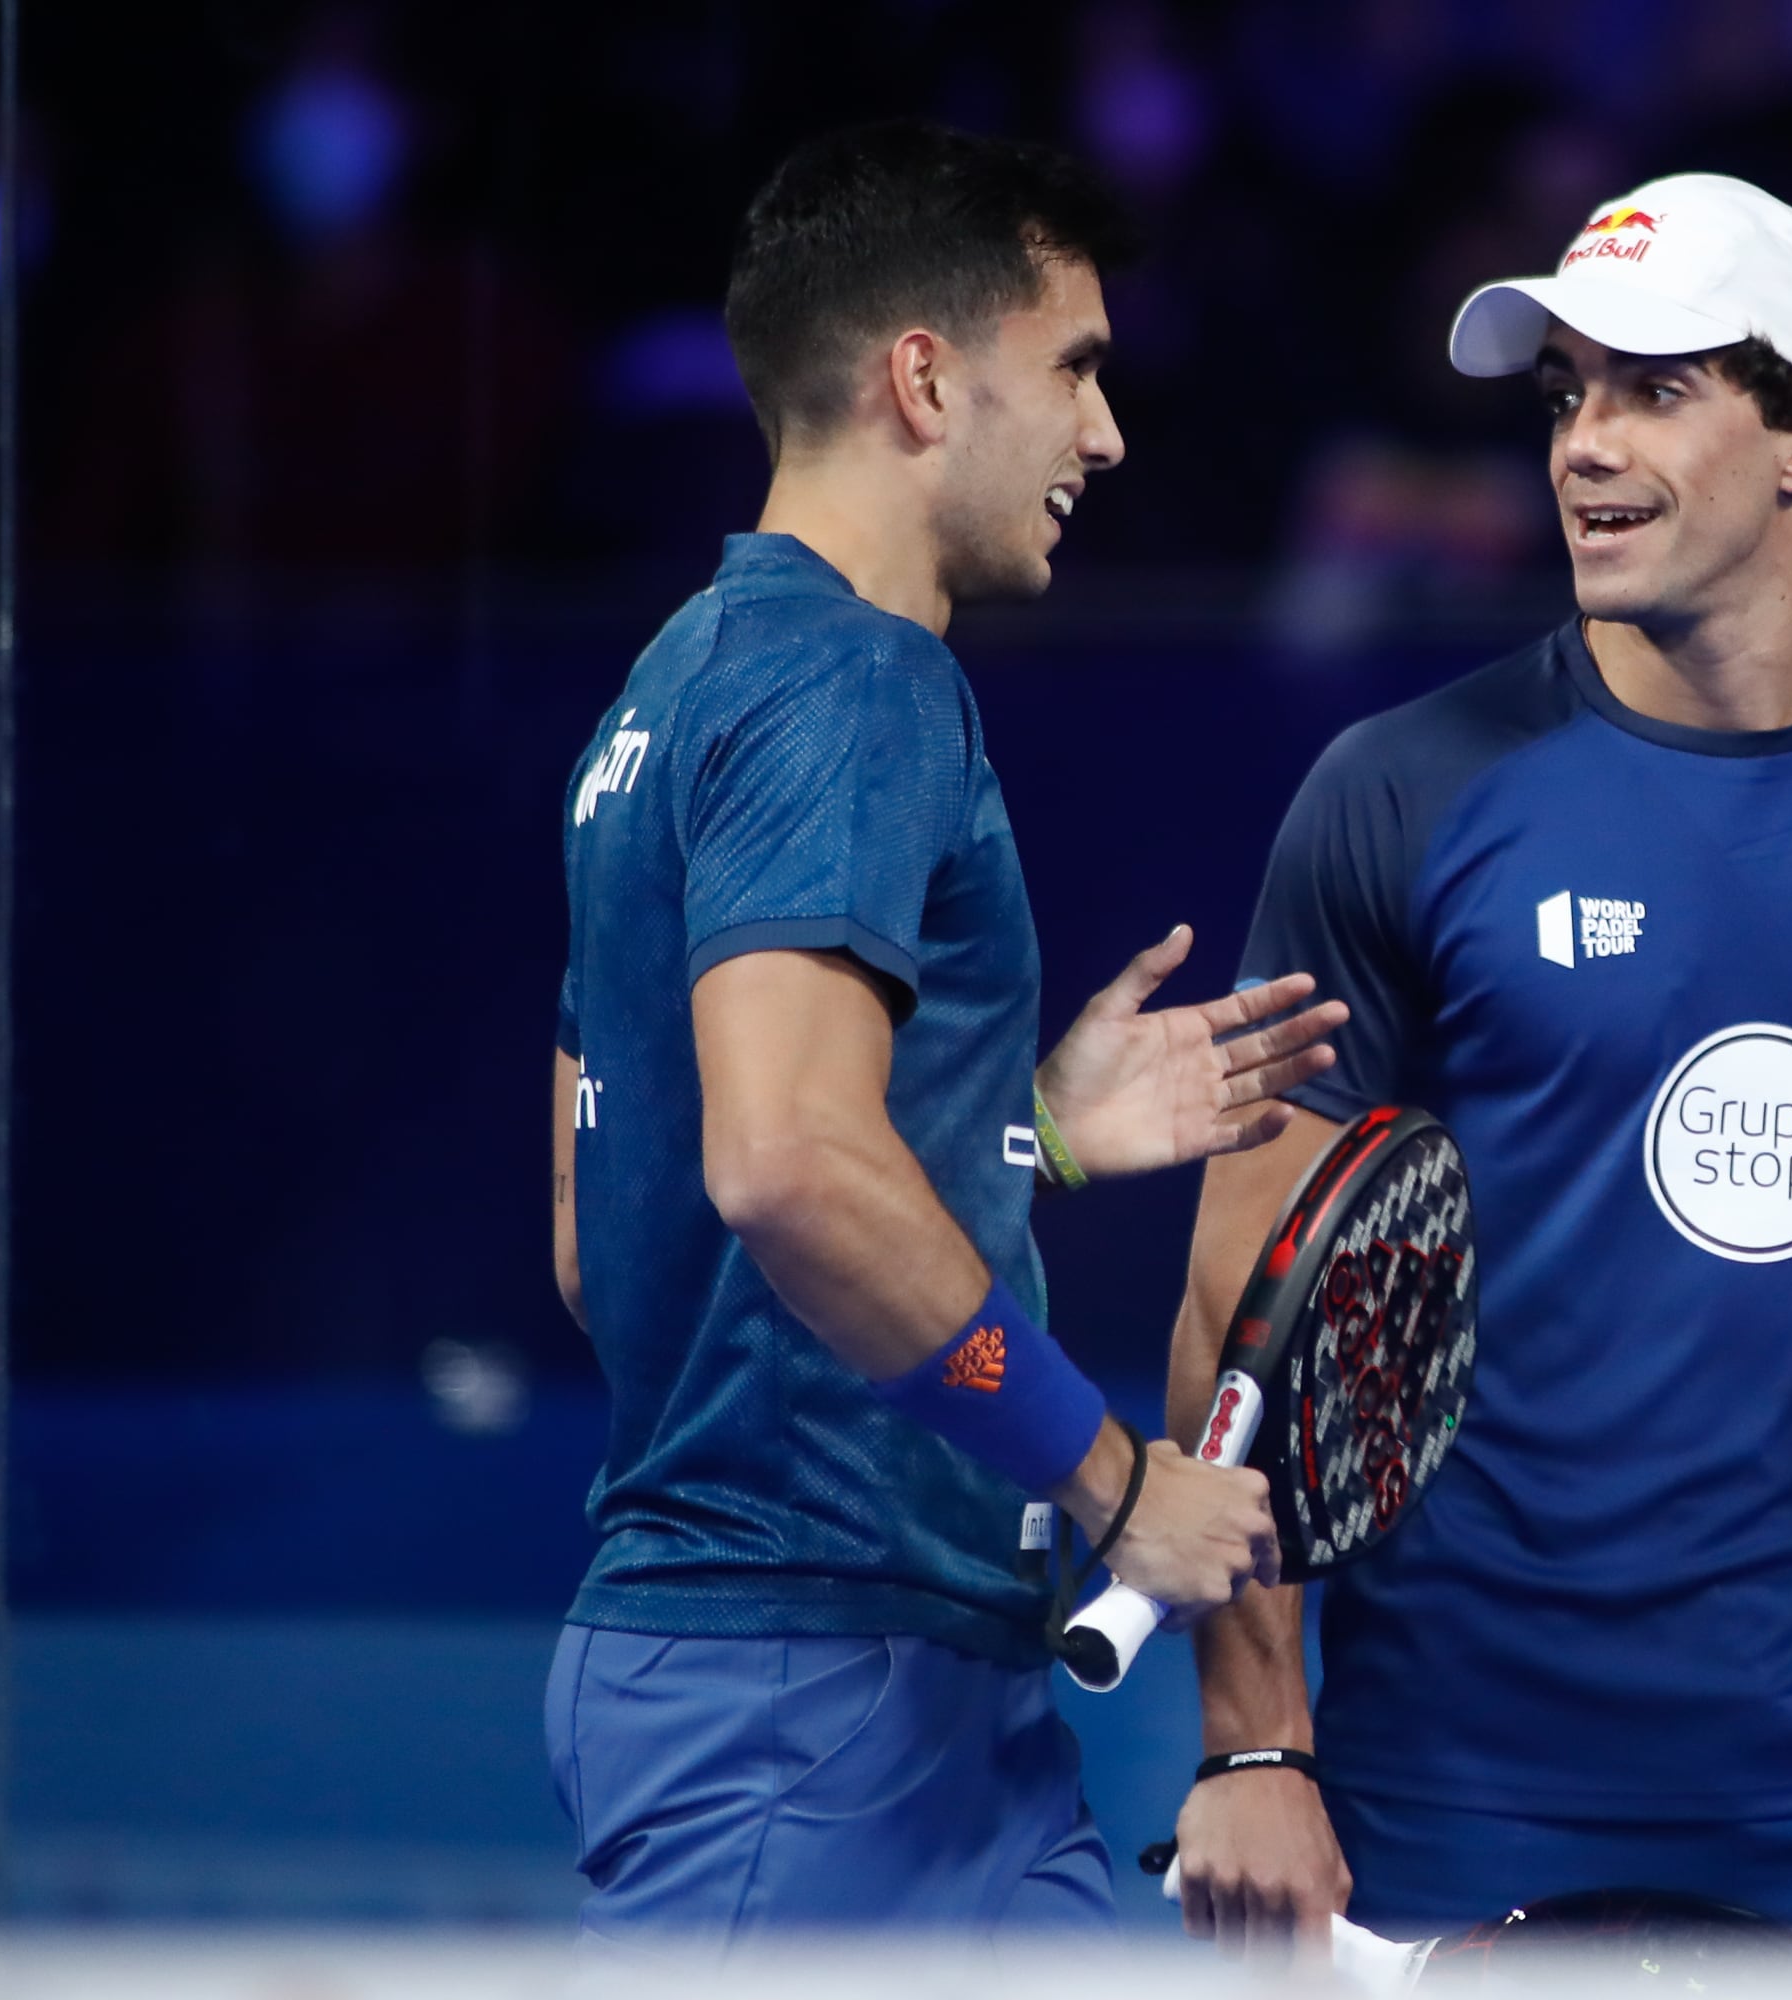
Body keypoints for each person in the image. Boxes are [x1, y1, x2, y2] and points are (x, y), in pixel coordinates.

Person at [1165, 172, 1792, 1950]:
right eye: (1566, 392)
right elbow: (1232, 1316)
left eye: (1653, 388)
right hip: (1455, 1778)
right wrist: (1260, 1746)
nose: (1580, 443)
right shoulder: (1400, 791)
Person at [544, 120, 1347, 1954]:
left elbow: (619, 1234)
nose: (1106, 434)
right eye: (1073, 368)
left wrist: (1017, 1133)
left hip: (903, 1712)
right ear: (924, 377)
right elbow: (782, 1163)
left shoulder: (659, 705)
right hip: (803, 1718)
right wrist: (1113, 1477)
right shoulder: (856, 682)